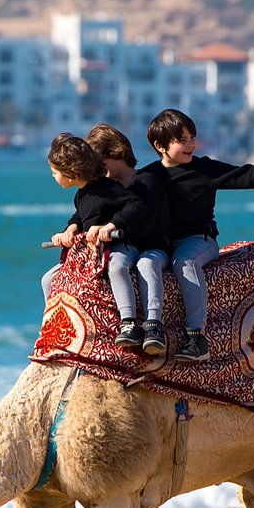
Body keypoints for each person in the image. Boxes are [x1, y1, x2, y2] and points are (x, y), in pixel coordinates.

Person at [140, 110, 254, 363]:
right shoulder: (147, 177)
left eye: (192, 137)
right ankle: (152, 328)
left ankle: (196, 337)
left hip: (198, 241)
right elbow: (124, 205)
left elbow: (244, 176)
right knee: (145, 263)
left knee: (185, 262)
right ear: (160, 146)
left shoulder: (204, 168)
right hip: (161, 245)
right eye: (182, 140)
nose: (191, 143)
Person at [41, 132, 155, 350]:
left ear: (71, 172)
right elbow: (79, 217)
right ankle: (54, 326)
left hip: (120, 247)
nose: (53, 176)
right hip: (92, 253)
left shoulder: (107, 188)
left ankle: (129, 323)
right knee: (49, 279)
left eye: (54, 172)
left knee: (116, 267)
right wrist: (69, 230)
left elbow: (137, 206)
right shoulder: (80, 194)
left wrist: (110, 226)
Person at [86, 122, 172, 355]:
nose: (98, 171)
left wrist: (111, 228)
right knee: (113, 265)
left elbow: (145, 221)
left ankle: (153, 326)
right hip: (126, 247)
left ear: (117, 153)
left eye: (101, 163)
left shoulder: (145, 181)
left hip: (152, 247)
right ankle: (125, 326)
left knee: (147, 263)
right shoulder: (108, 188)